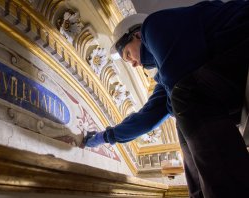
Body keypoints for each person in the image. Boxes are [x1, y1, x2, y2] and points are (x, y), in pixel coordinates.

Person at [83, 1, 249, 197]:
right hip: (231, 70)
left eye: (128, 54)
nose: (134, 64)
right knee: (183, 114)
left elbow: (178, 86)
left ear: (136, 35)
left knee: (184, 99)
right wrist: (106, 136)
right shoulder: (165, 75)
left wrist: (170, 102)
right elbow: (148, 117)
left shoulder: (154, 26)